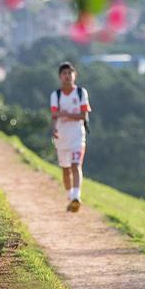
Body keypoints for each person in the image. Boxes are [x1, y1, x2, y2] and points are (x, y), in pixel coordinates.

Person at [50, 62, 90, 213]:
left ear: (75, 75)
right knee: (65, 169)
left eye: (69, 73)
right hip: (62, 137)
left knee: (75, 165)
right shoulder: (56, 95)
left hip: (77, 137)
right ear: (60, 77)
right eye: (64, 74)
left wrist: (65, 114)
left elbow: (83, 115)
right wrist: (53, 127)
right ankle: (70, 197)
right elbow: (54, 115)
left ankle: (76, 197)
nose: (67, 76)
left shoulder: (81, 93)